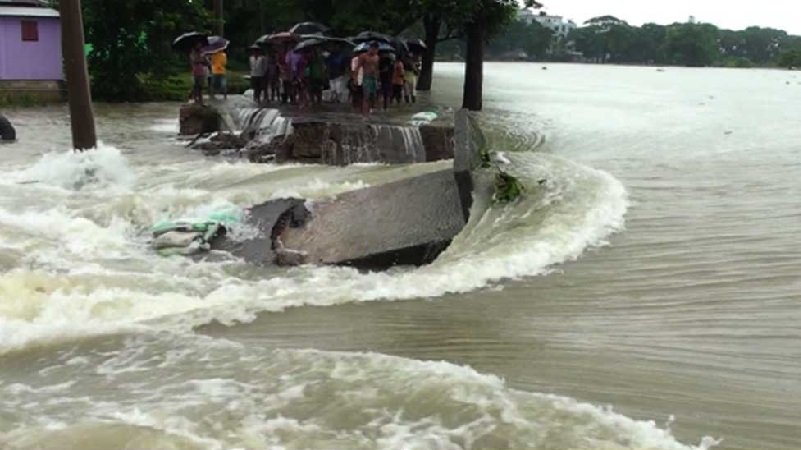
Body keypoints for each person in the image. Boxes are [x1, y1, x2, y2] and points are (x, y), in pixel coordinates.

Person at [358, 42, 381, 114]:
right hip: (366, 77)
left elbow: (377, 69)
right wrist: (356, 78)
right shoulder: (363, 56)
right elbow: (358, 67)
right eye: (374, 49)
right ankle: (365, 113)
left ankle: (369, 110)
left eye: (376, 50)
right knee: (366, 96)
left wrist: (378, 79)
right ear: (370, 48)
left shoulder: (377, 57)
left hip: (374, 78)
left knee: (373, 96)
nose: (375, 51)